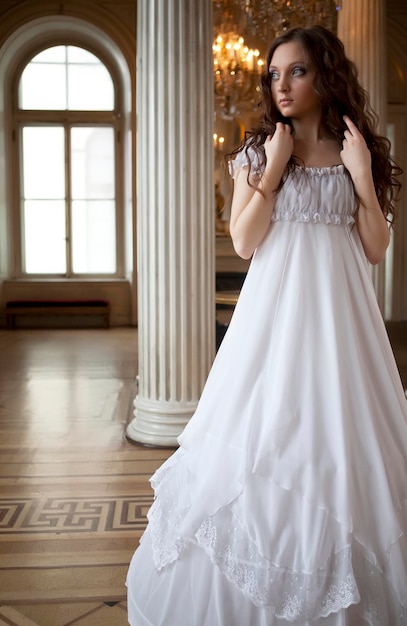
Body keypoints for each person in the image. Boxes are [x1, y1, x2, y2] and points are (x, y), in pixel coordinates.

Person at [126, 25, 407, 625]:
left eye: (297, 71)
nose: (281, 84)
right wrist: (274, 170)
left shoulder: (355, 147)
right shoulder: (256, 153)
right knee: (264, 437)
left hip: (344, 331)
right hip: (271, 331)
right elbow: (247, 241)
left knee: (347, 442)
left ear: (325, 76)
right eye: (274, 74)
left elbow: (377, 249)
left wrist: (361, 177)